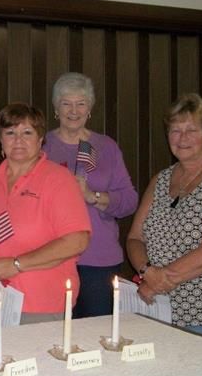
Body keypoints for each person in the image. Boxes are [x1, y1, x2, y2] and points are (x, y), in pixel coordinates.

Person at [127, 93, 202, 344]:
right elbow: (135, 238)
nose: (182, 139)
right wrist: (148, 272)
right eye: (175, 130)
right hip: (158, 309)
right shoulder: (160, 180)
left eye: (191, 130)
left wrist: (157, 282)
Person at [0, 102, 91, 324]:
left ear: (40, 141)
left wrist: (17, 264)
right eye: (10, 133)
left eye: (27, 132)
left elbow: (78, 240)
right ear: (1, 140)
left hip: (40, 304)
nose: (18, 140)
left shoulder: (58, 179)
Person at [43, 72, 138, 318]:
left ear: (89, 108)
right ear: (56, 107)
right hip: (53, 258)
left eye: (80, 103)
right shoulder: (42, 147)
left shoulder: (106, 147)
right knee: (56, 336)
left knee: (96, 336)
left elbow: (129, 200)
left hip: (99, 259)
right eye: (66, 103)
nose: (73, 110)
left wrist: (93, 196)